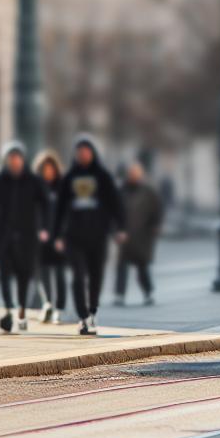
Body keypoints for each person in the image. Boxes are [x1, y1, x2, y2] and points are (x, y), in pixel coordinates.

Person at [54, 135, 126, 335]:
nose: (83, 156)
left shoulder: (103, 176)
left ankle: (93, 311)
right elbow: (59, 209)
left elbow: (115, 203)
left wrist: (119, 228)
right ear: (76, 155)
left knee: (96, 276)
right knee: (77, 277)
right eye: (80, 153)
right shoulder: (69, 178)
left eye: (87, 152)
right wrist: (57, 235)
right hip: (74, 236)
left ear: (92, 153)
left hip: (98, 235)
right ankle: (83, 316)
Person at [0, 142, 51, 334]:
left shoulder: (34, 181)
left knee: (23, 277)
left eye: (17, 159)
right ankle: (9, 309)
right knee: (3, 275)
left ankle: (21, 311)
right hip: (3, 237)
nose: (14, 163)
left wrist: (45, 228)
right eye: (11, 159)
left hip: (28, 237)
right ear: (6, 161)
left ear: (23, 160)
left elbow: (46, 206)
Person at [115, 162, 166, 307]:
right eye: (131, 173)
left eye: (136, 173)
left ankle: (148, 292)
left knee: (142, 266)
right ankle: (120, 294)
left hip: (142, 236)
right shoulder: (121, 191)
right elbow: (113, 212)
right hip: (124, 235)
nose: (133, 176)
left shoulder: (148, 192)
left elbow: (158, 210)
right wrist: (115, 231)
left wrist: (155, 226)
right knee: (122, 266)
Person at [31, 150, 69, 325]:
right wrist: (38, 230)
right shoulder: (35, 187)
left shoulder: (62, 187)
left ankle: (59, 308)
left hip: (59, 238)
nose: (48, 172)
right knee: (41, 273)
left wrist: (62, 236)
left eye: (51, 169)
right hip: (41, 238)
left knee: (60, 274)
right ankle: (48, 304)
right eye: (45, 169)